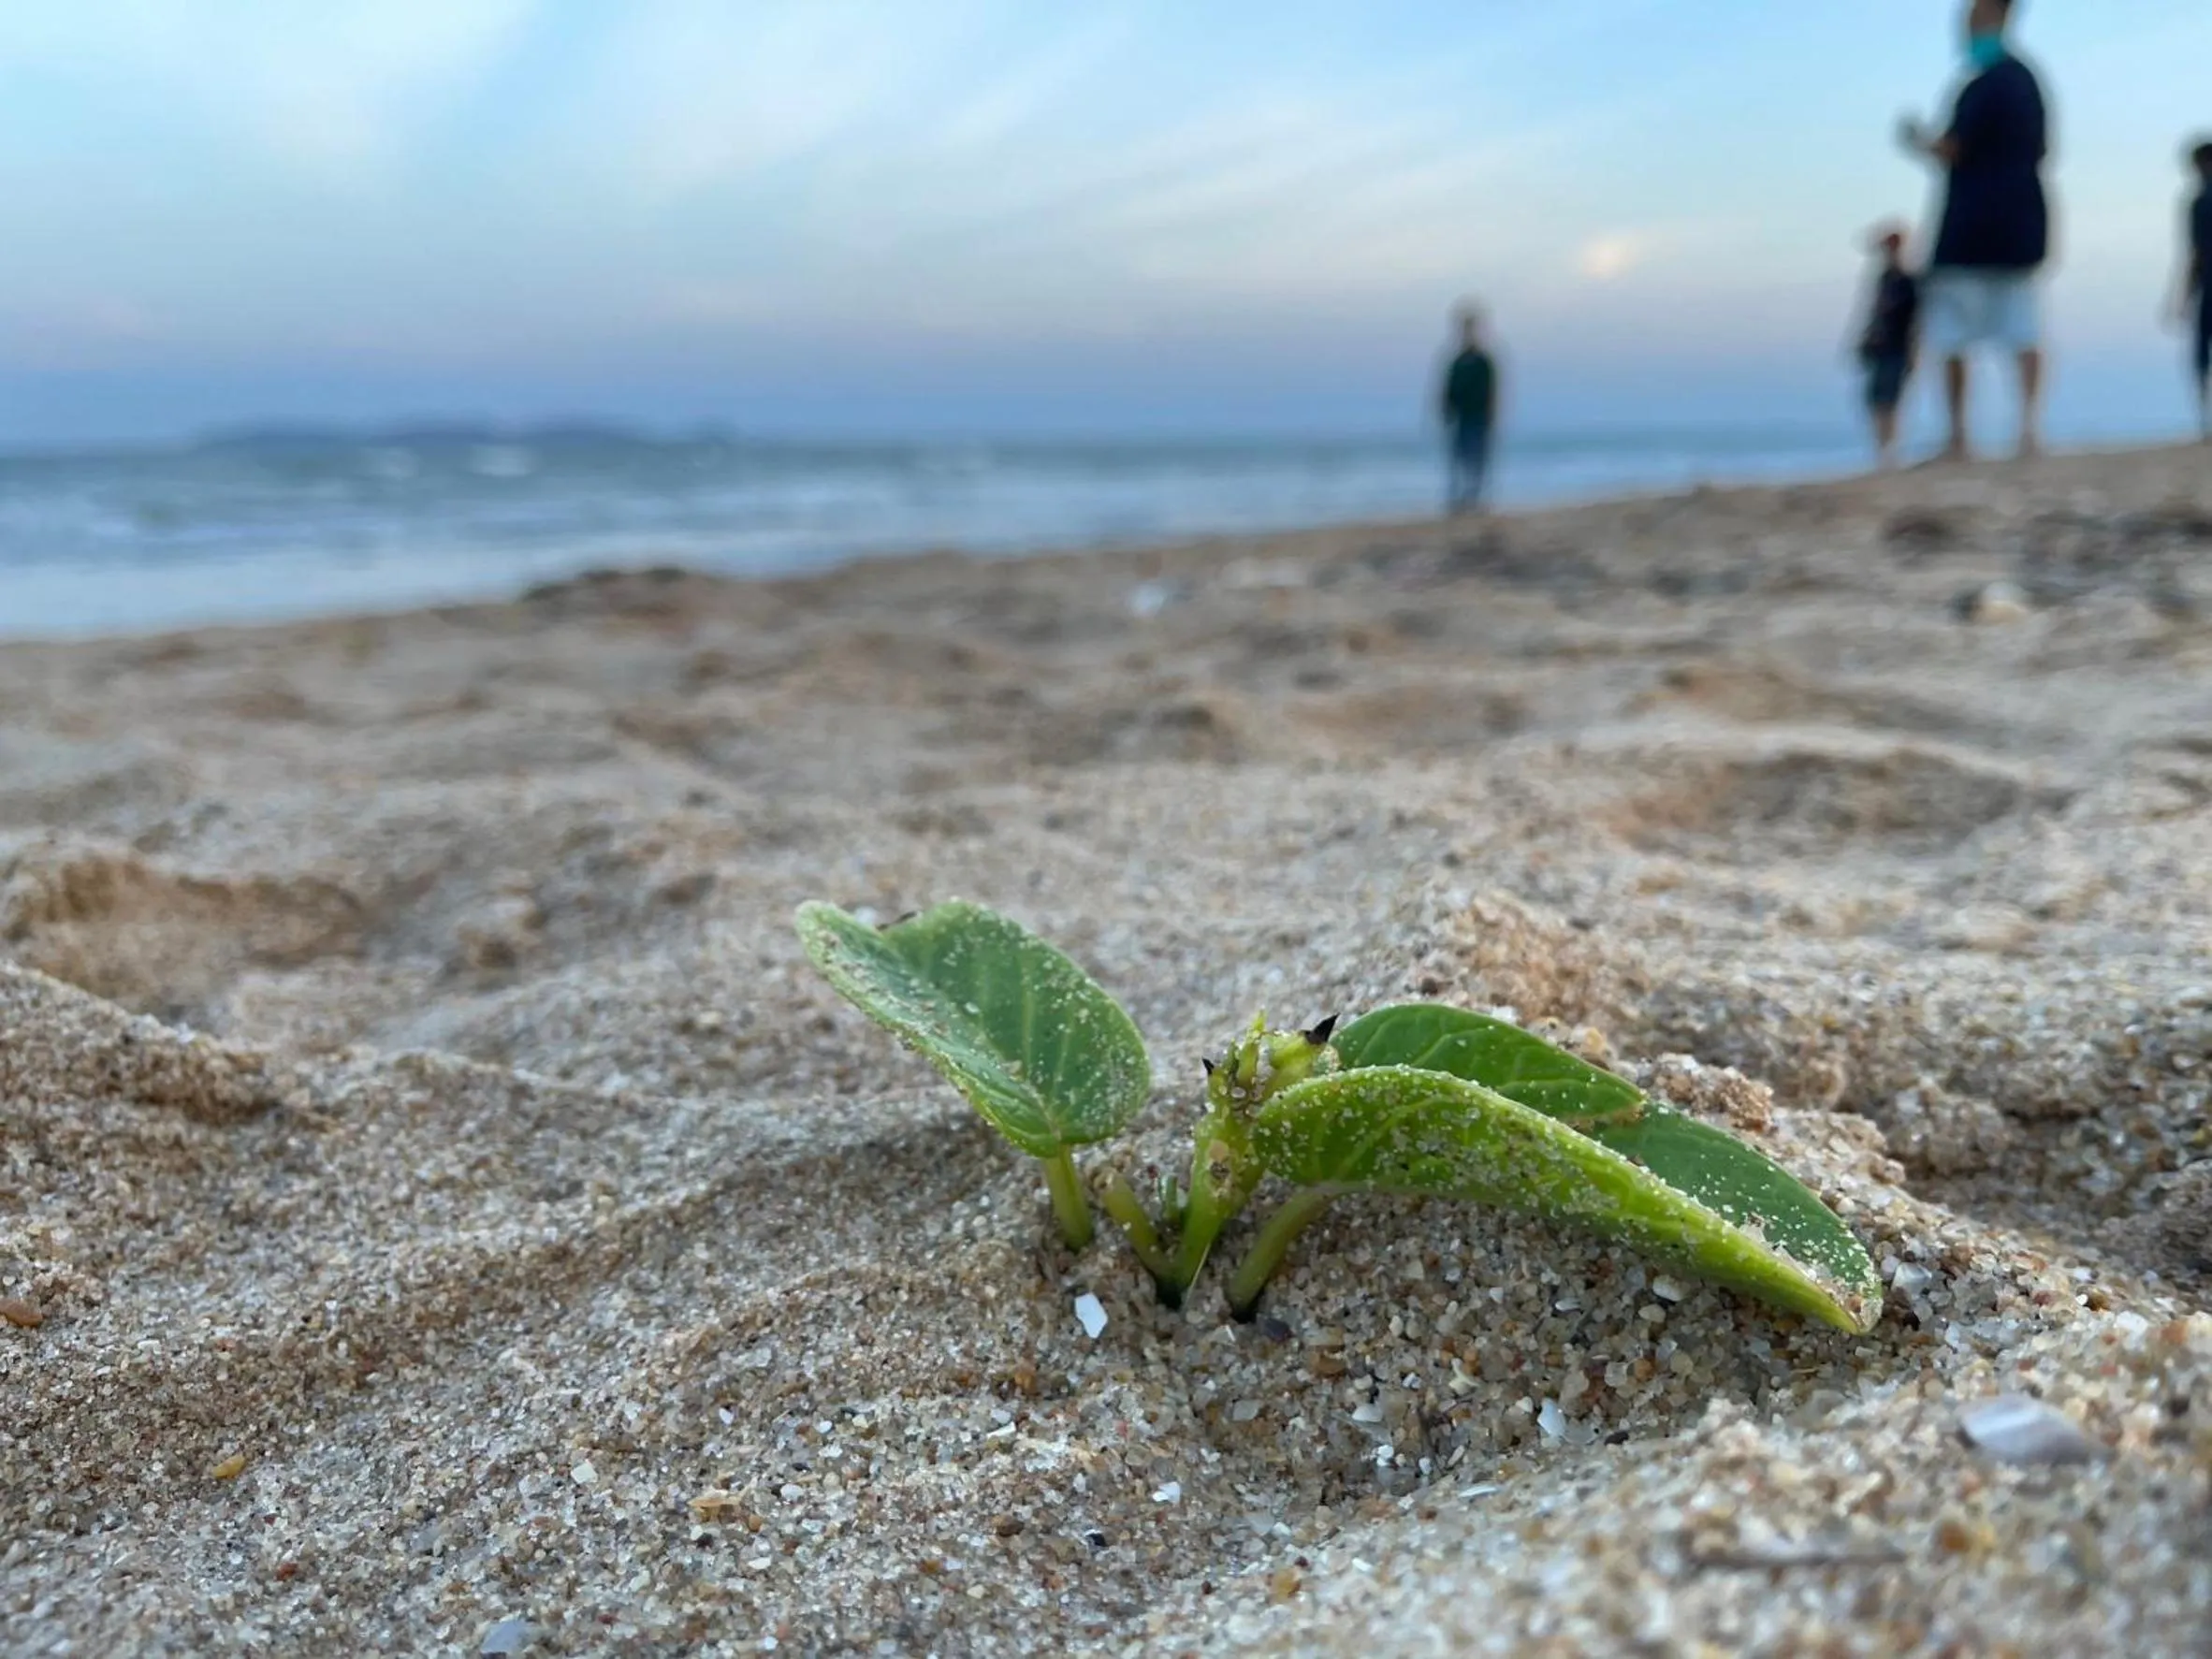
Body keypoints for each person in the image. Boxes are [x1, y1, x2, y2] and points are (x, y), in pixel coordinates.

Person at [1898, 0, 2051, 461]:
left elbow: (1954, 149)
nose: (1964, 33)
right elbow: (2045, 149)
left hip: (1970, 231)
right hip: (2021, 225)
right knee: (2021, 330)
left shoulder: (1986, 84)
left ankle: (1960, 437)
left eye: (1968, 23)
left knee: (1954, 334)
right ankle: (2027, 432)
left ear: (1992, 19)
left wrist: (1918, 140)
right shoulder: (2028, 82)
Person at [1855, 226, 1922, 469]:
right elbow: (1874, 315)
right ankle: (1883, 449)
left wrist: (1915, 352)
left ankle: (1890, 451)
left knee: (1890, 399)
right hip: (1880, 349)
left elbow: (1917, 320)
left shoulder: (1909, 280)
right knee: (1876, 399)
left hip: (1898, 349)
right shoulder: (1884, 279)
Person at [1437, 307, 1500, 514]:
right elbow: (1448, 389)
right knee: (1459, 459)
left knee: (1476, 459)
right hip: (1461, 418)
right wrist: (1446, 411)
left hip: (1478, 417)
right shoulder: (1457, 361)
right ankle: (1460, 500)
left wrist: (1491, 414)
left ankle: (1474, 499)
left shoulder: (1483, 361)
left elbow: (1491, 390)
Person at [2172, 138, 2212, 440]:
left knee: (2201, 356)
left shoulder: (2199, 202)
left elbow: (2195, 253)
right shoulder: (2198, 201)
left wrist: (2184, 295)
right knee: (2200, 355)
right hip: (2206, 285)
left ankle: (2205, 419)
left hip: (2207, 286)